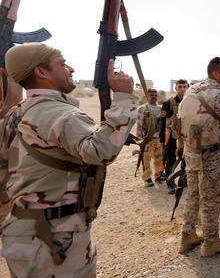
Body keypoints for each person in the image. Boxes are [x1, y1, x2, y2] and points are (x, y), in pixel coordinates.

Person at [0, 43, 136, 277]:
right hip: (54, 241)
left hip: (23, 234)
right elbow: (100, 151)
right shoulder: (61, 114)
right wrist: (123, 97)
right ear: (41, 73)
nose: (70, 69)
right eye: (61, 64)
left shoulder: (17, 114)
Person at [177, 57, 220, 257]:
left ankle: (187, 235)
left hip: (191, 152)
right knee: (211, 197)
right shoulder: (218, 94)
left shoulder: (192, 90)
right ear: (216, 74)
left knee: (193, 195)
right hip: (210, 154)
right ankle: (211, 241)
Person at [161, 79, 188, 194]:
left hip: (185, 137)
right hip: (172, 137)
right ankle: (170, 183)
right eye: (180, 87)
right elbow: (162, 121)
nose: (182, 89)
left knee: (185, 159)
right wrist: (163, 138)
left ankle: (183, 180)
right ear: (176, 88)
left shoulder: (188, 103)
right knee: (171, 159)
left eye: (184, 87)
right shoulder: (169, 103)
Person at [137, 88, 164, 187]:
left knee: (159, 159)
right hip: (147, 138)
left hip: (158, 139)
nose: (154, 97)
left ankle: (158, 176)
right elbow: (139, 124)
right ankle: (147, 179)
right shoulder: (142, 109)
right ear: (147, 96)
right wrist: (140, 138)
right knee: (146, 160)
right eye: (151, 95)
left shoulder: (161, 109)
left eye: (155, 95)